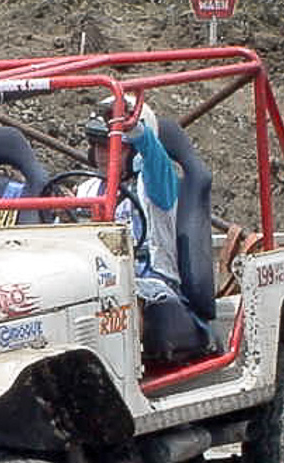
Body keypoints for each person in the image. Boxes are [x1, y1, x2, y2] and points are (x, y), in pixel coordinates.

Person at [79, 98, 212, 362]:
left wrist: (137, 132)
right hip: (98, 280)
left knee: (125, 295)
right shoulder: (86, 190)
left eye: (113, 146)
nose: (104, 154)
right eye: (98, 146)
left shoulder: (153, 188)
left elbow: (155, 160)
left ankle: (126, 370)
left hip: (152, 281)